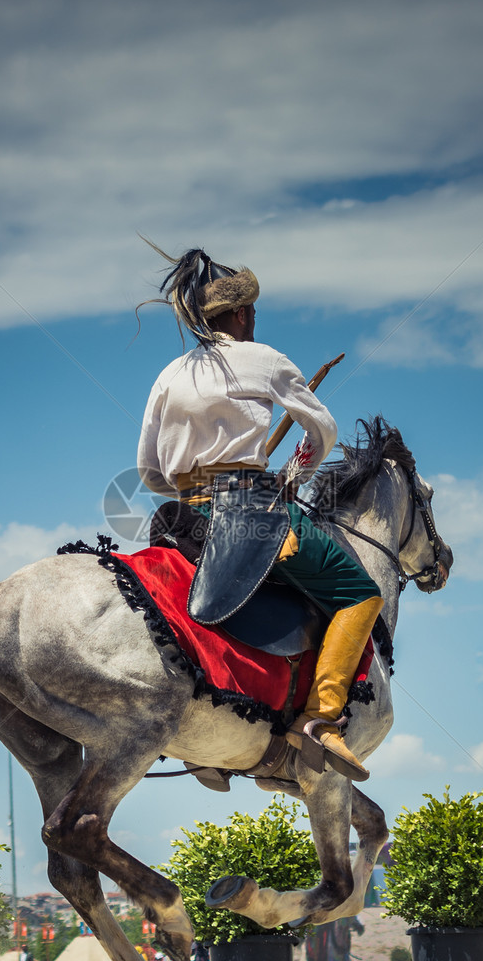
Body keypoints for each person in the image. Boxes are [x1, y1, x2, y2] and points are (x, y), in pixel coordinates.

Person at [137, 246, 382, 781]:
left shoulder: (169, 374)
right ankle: (320, 720)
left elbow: (149, 470)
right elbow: (323, 433)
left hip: (184, 513)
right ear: (244, 314)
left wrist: (193, 485)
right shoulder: (266, 357)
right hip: (253, 509)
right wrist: (293, 476)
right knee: (361, 594)